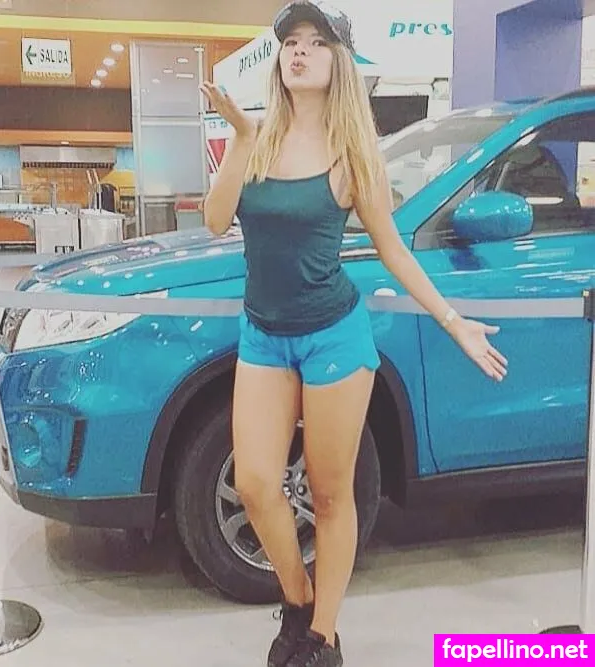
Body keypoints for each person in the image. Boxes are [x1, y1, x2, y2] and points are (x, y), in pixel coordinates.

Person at [200, 2, 509, 665]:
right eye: (291, 42)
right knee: (255, 482)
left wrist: (452, 320)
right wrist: (242, 139)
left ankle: (321, 636)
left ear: (338, 60)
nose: (299, 52)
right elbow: (215, 219)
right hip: (264, 336)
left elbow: (394, 249)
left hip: (334, 338)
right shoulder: (257, 138)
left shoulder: (351, 153)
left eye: (316, 42)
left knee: (330, 491)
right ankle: (299, 600)